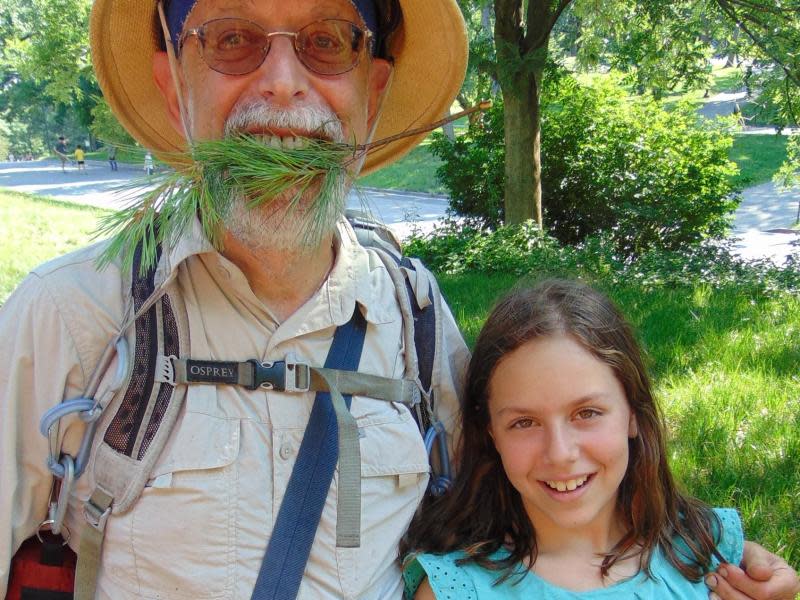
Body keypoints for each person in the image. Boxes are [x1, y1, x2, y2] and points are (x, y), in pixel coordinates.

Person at [0, 0, 795, 596]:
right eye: (233, 39)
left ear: (372, 95)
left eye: (327, 42)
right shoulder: (75, 321)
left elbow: (530, 497)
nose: (282, 84)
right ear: (174, 86)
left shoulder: (411, 315)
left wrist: (705, 550)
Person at [402, 279, 800, 600]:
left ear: (632, 413)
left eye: (586, 413)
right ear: (491, 433)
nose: (560, 453)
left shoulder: (709, 554)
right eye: (524, 422)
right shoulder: (455, 590)